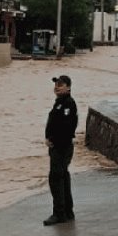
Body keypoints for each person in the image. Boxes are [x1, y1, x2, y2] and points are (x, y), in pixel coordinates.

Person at [43, 75, 78, 226]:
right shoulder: (59, 103)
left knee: (56, 178)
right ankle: (67, 211)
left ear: (68, 87)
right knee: (62, 176)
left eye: (61, 84)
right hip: (57, 146)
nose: (57, 86)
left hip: (62, 147)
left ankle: (59, 213)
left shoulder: (68, 104)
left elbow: (66, 127)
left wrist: (53, 140)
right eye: (56, 84)